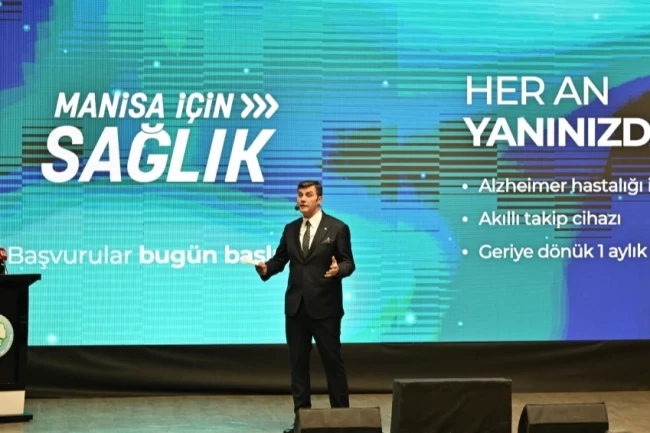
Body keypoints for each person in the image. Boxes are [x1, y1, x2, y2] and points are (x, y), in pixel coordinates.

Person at [255, 180, 356, 433]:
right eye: (300, 195)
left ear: (319, 199)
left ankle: (342, 420)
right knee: (298, 366)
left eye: (308, 195)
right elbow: (280, 260)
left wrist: (338, 270)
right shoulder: (290, 229)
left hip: (326, 310)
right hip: (296, 309)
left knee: (333, 364)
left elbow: (348, 263)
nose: (302, 199)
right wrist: (266, 268)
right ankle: (302, 420)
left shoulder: (337, 227)